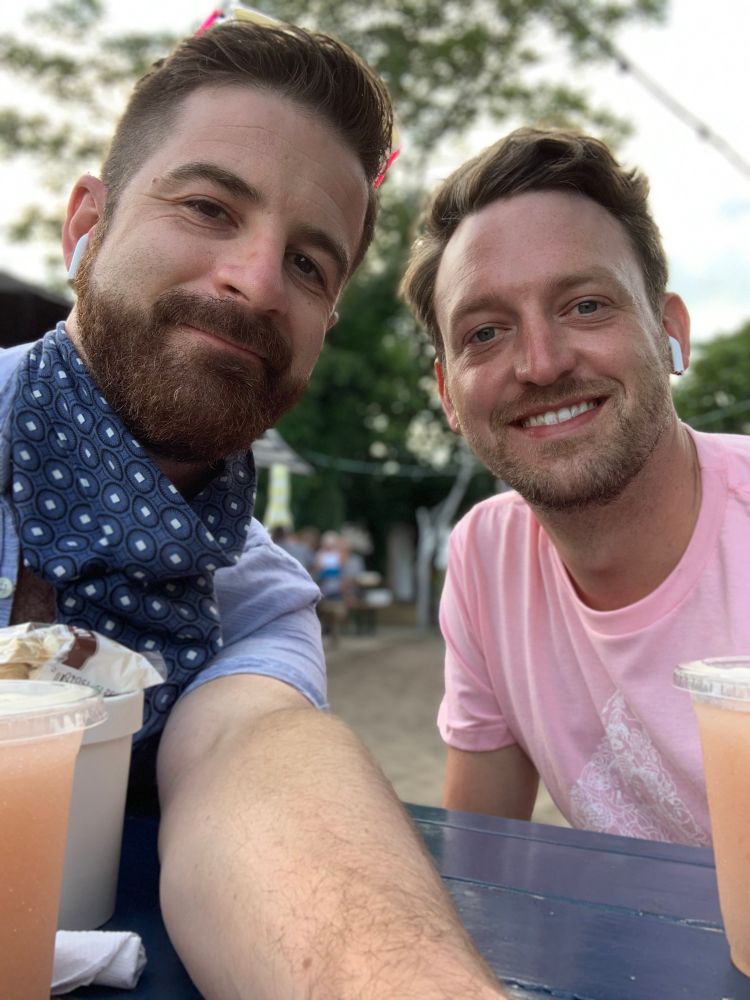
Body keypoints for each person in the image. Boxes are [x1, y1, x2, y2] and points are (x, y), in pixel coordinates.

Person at [0, 17, 505, 999]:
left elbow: (253, 759)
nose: (257, 280)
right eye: (207, 207)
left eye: (312, 264)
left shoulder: (256, 596)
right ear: (84, 227)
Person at [402, 127, 750, 847]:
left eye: (586, 305)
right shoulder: (486, 558)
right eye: (485, 333)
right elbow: (480, 862)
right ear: (447, 392)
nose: (541, 362)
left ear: (668, 331)